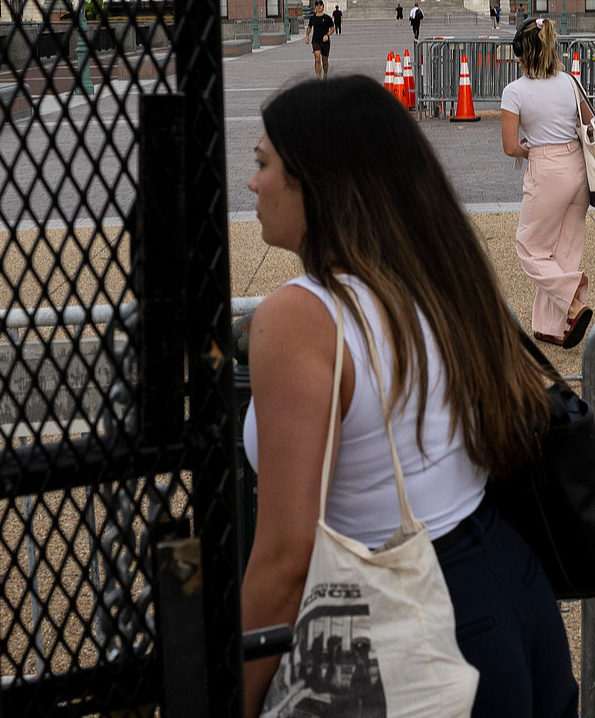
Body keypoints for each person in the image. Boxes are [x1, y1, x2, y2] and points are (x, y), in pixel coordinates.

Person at [242, 76, 577, 718]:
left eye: (263, 164)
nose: (251, 184)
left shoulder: (298, 320)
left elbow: (285, 559)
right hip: (511, 582)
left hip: (406, 611)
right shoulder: (438, 271)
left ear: (318, 182)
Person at [500, 17, 595, 349]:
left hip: (546, 167)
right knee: (563, 250)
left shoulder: (515, 92)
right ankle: (551, 326)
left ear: (523, 55)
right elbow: (590, 123)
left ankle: (573, 304)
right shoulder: (570, 82)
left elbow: (511, 146)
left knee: (529, 247)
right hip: (578, 168)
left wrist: (529, 151)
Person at [304, 0, 335, 78]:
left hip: (325, 41)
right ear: (315, 7)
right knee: (317, 57)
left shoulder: (327, 18)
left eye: (320, 5)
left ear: (323, 7)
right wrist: (307, 36)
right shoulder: (313, 18)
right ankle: (318, 77)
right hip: (316, 40)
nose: (319, 7)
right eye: (317, 5)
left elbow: (332, 29)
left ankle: (325, 73)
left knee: (325, 60)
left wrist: (327, 35)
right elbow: (309, 27)